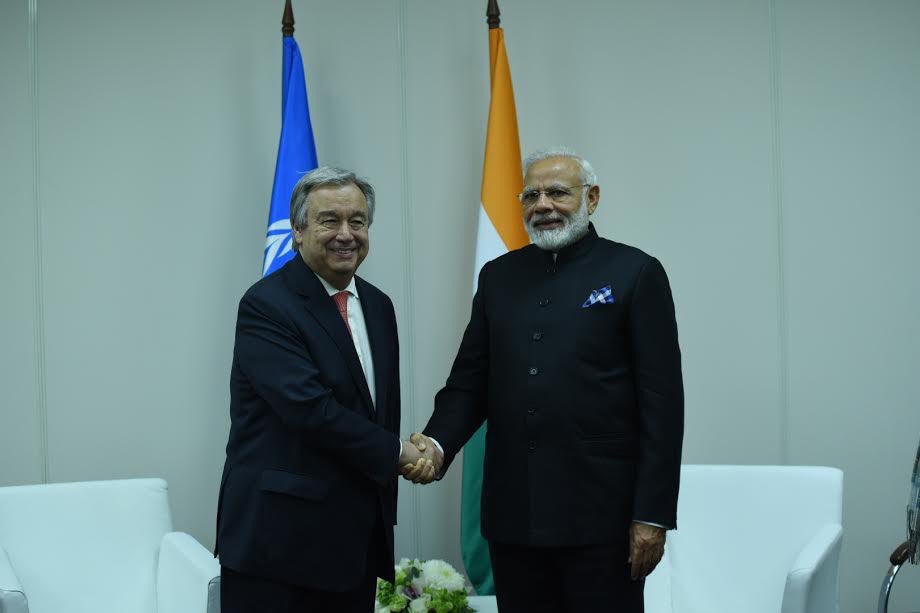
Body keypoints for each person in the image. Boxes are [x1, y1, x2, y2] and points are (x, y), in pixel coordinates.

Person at [416, 148, 684, 612]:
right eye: (531, 195)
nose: (543, 205)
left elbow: (662, 405)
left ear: (592, 198)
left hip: (604, 519)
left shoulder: (635, 273)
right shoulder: (499, 277)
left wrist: (652, 515)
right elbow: (469, 382)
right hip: (514, 517)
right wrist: (436, 445)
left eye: (558, 192)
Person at [214, 166, 435, 613]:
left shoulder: (377, 304)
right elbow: (309, 410)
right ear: (297, 231)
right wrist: (400, 453)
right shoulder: (266, 305)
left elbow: (375, 410)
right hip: (277, 549)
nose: (346, 234)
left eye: (357, 221)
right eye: (329, 220)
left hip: (353, 547)